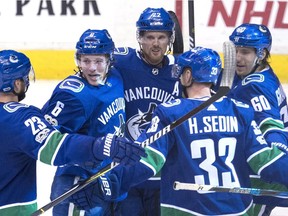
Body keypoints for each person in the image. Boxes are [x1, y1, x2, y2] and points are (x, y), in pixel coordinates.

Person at [70, 47, 288, 215]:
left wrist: (107, 184)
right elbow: (266, 162)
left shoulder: (172, 113)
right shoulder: (240, 111)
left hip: (186, 209)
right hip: (237, 210)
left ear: (188, 75)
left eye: (181, 72)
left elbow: (146, 160)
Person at [0, 49, 146, 216]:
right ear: (16, 84)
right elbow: (55, 148)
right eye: (24, 78)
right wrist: (99, 146)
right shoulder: (18, 118)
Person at [41, 29, 134, 215]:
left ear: (109, 61)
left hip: (110, 177)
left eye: (98, 61)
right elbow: (45, 136)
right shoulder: (72, 95)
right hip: (78, 183)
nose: (92, 68)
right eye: (86, 61)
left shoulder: (116, 77)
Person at [113, 7, 182, 215]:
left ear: (170, 39)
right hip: (128, 169)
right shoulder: (122, 62)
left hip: (163, 172)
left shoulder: (181, 71)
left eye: (162, 37)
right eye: (149, 37)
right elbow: (93, 61)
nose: (155, 43)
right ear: (139, 38)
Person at [227, 23, 288, 215]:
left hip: (262, 176)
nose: (237, 58)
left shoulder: (254, 87)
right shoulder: (261, 73)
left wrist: (279, 161)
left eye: (244, 52)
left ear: (261, 54)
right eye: (235, 50)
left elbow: (271, 128)